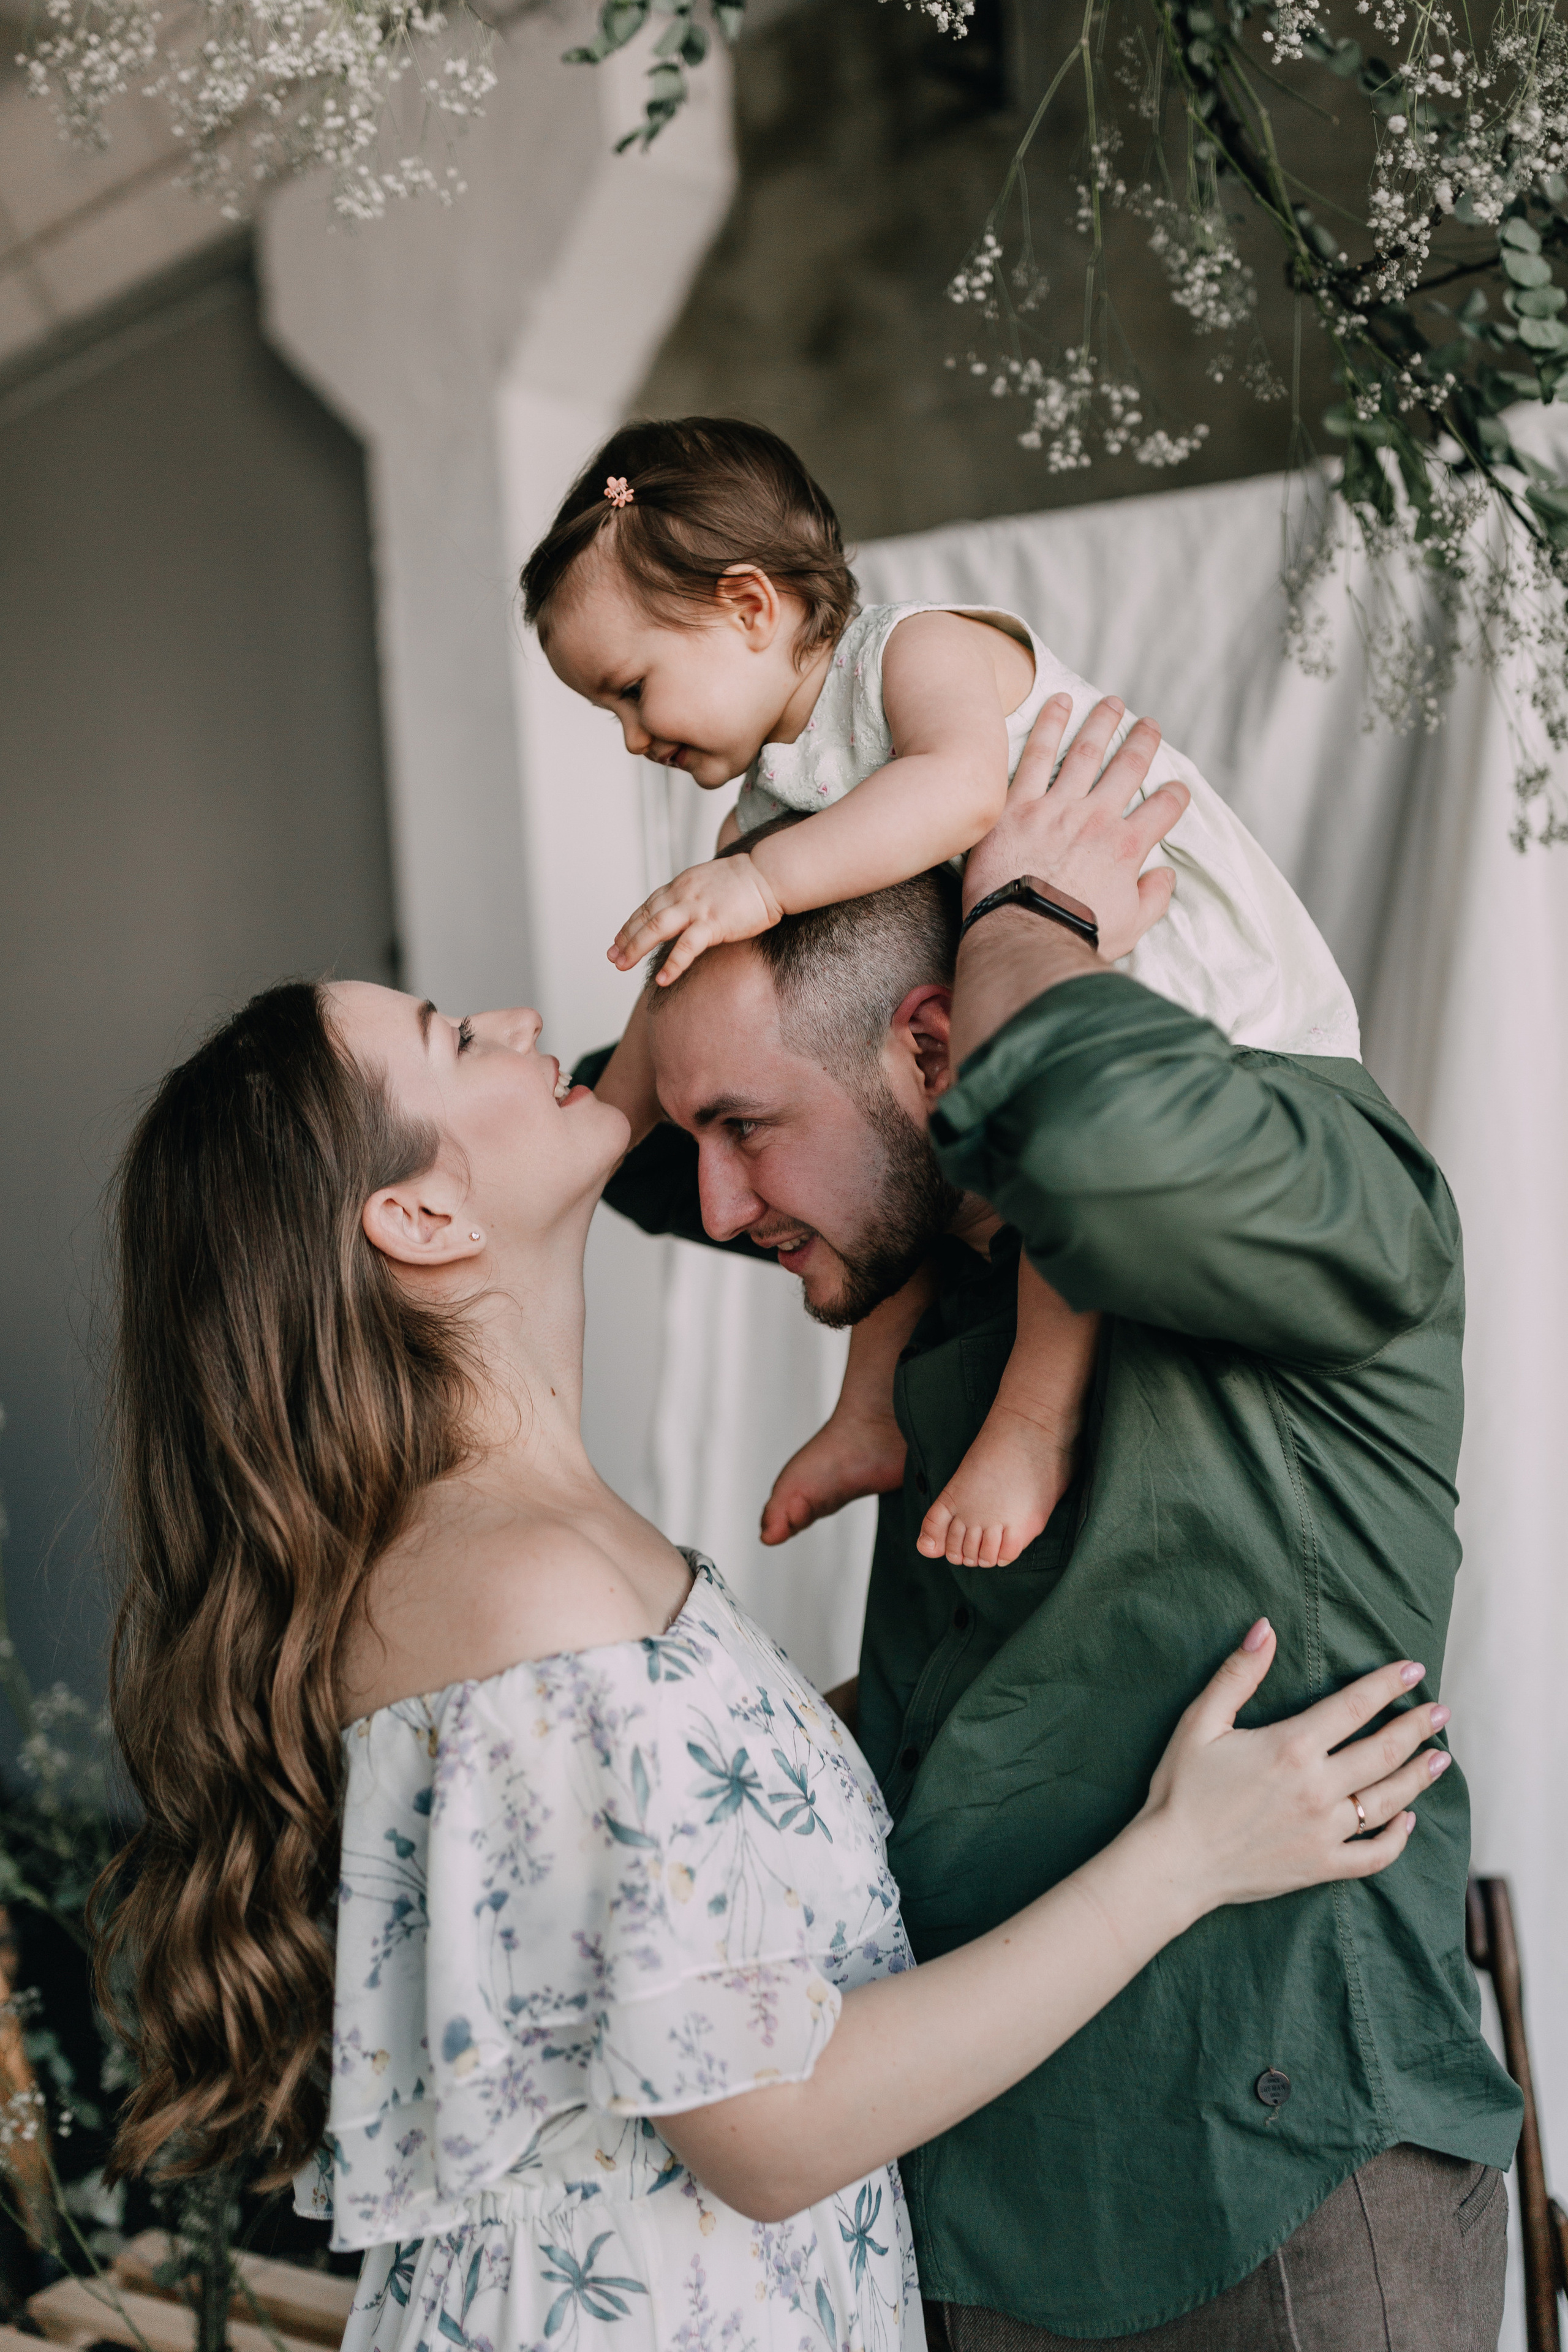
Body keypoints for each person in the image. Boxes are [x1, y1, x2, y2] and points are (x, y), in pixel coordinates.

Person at [91, 878, 1442, 2352]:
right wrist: (1184, 1859)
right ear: (416, 1213)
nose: (521, 1022)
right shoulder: (524, 1587)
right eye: (452, 1037)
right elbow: (775, 2131)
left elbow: (713, 1844)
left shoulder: (515, 1553)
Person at [575, 695, 1525, 2348]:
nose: (719, 1204)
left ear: (940, 1053)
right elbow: (635, 1148)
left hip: (1274, 2188)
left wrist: (1028, 919)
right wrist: (761, 887)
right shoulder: (929, 1258)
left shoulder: (1319, 1167)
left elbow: (1086, 1132)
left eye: (748, 1130)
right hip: (976, 2194)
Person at [521, 415, 1359, 1574]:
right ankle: (872, 1411)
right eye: (603, 713)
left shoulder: (915, 653)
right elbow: (688, 993)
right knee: (893, 1153)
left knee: (1043, 1149)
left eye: (631, 689)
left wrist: (761, 882)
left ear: (751, 606)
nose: (627, 737)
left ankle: (1031, 1422)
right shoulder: (764, 810)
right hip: (1012, 1004)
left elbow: (963, 792)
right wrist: (610, 1119)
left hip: (1181, 983)